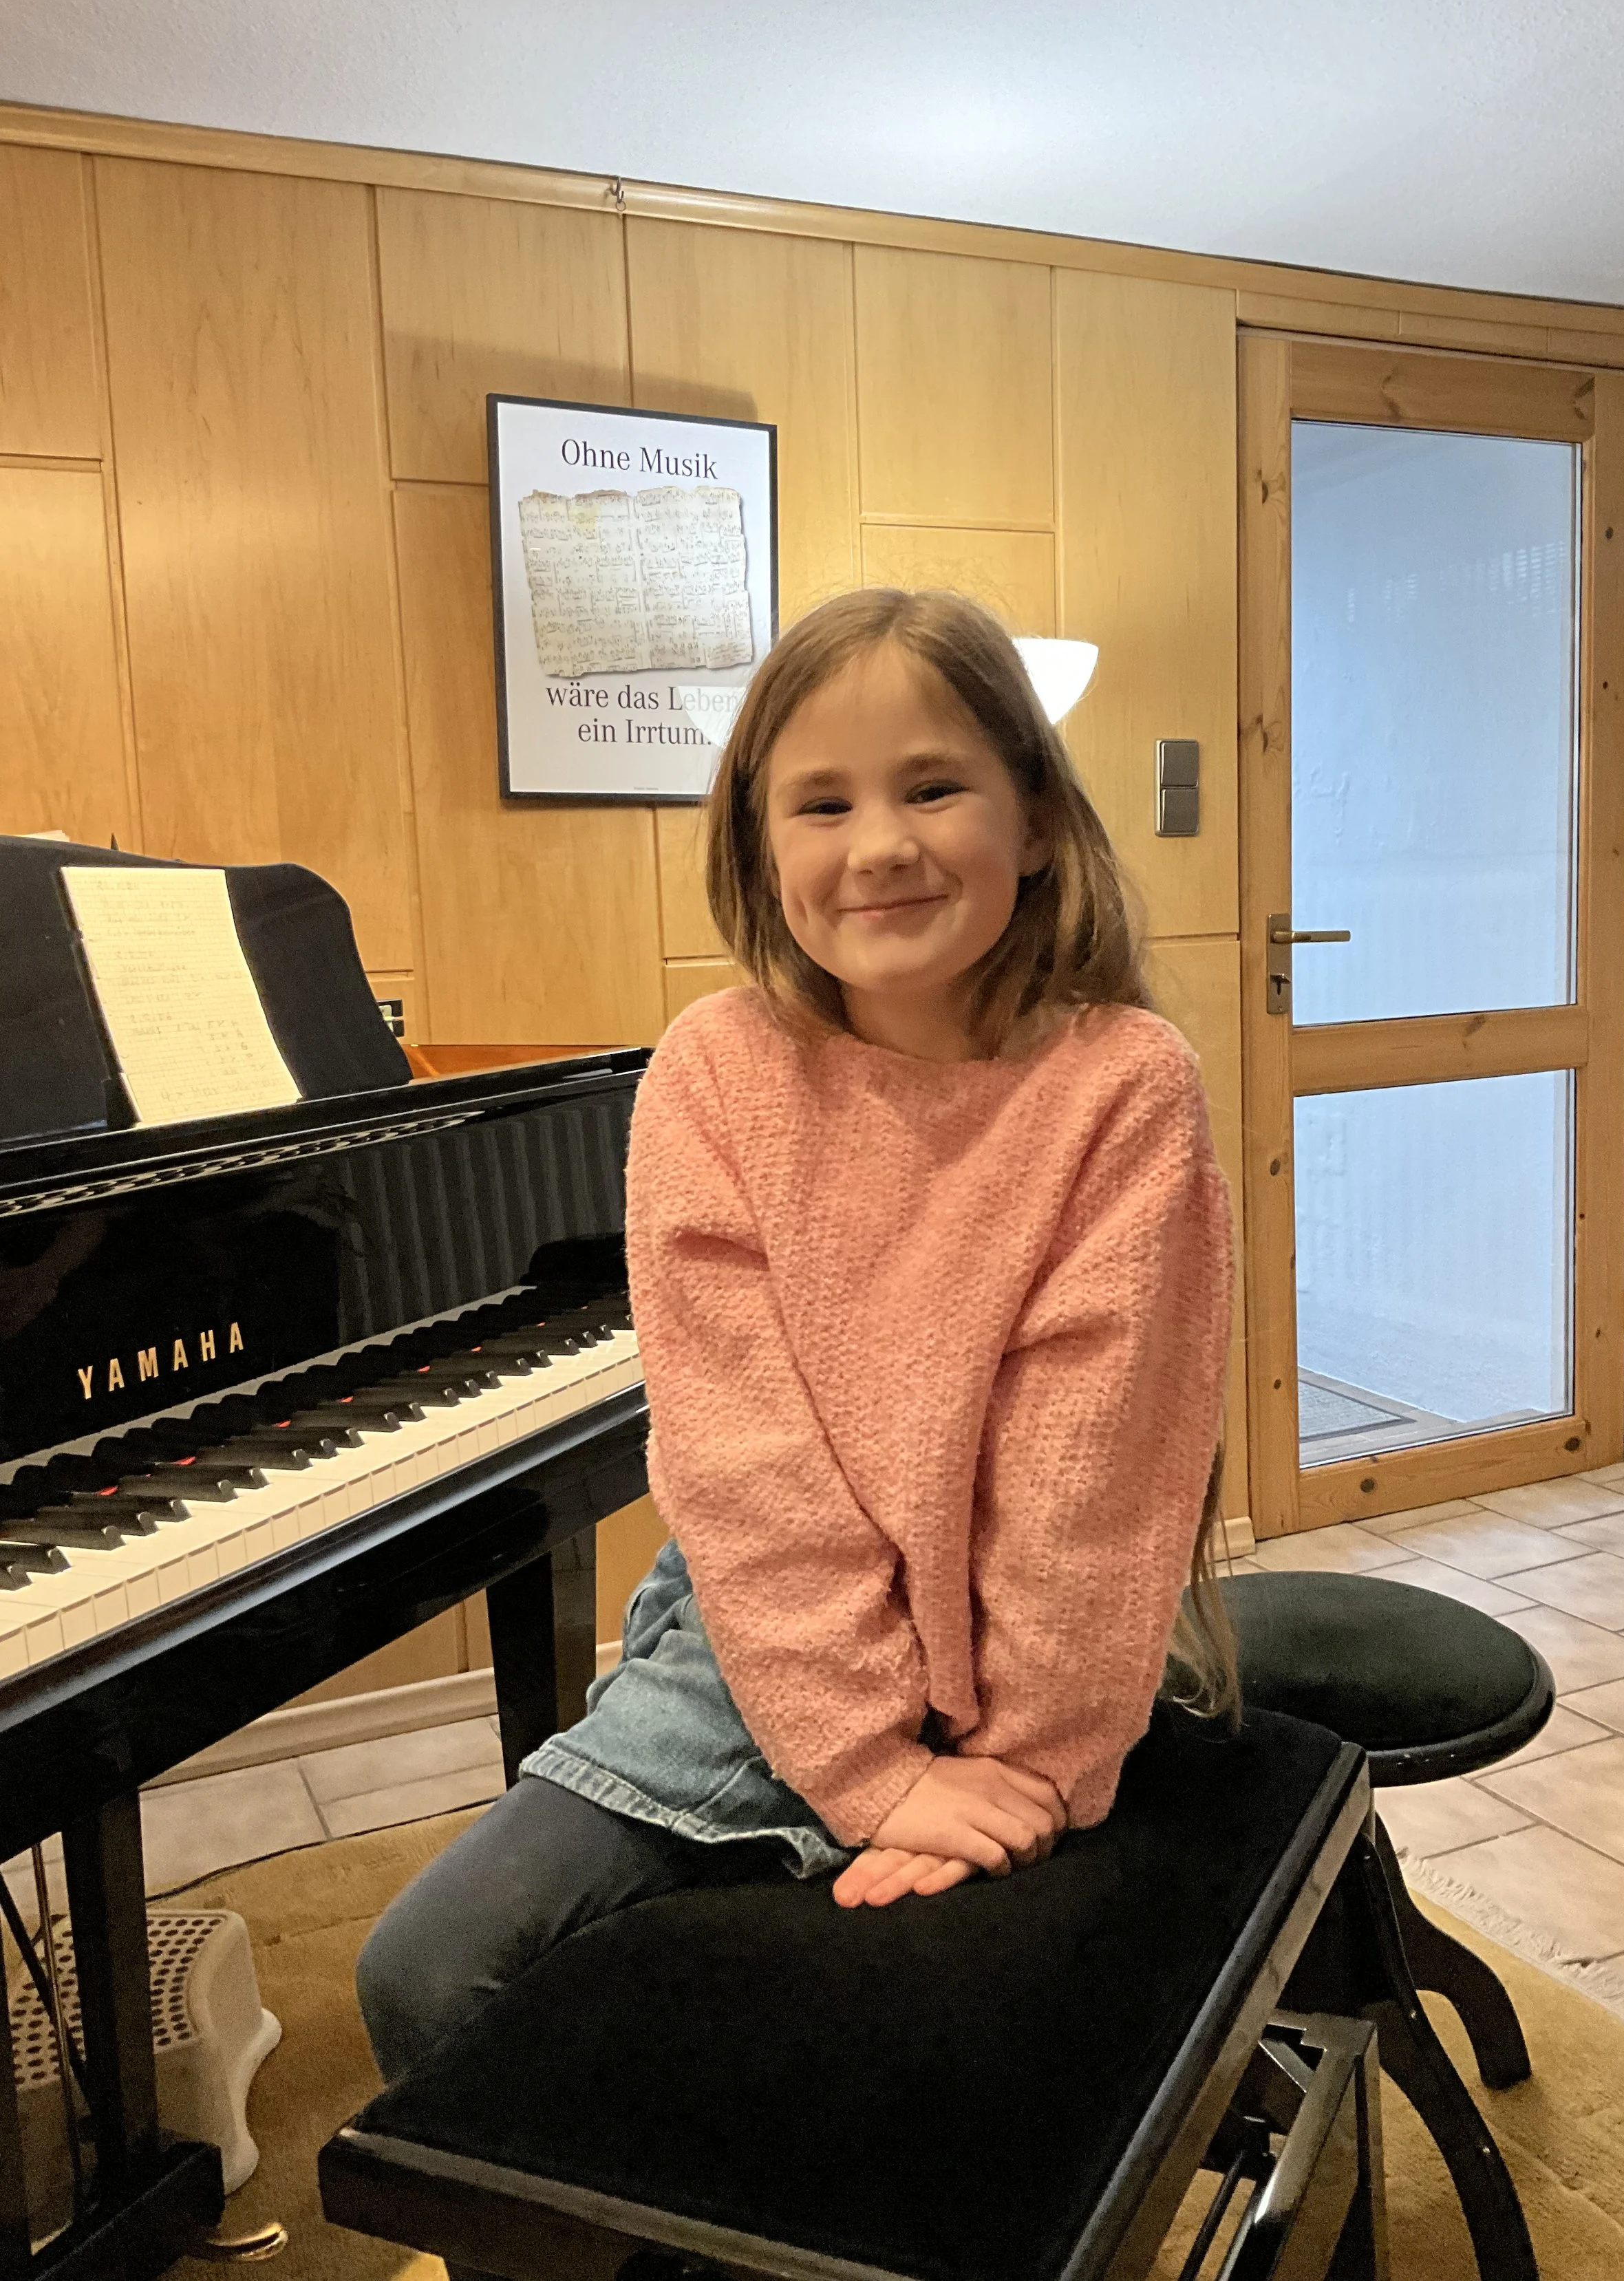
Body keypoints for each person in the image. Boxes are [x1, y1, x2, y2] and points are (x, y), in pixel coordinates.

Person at [356, 586, 1237, 2103]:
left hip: (1032, 1654)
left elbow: (1084, 1492)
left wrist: (1017, 1768)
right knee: (427, 1971)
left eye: (931, 785)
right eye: (818, 801)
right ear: (761, 849)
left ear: (1032, 818)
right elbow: (742, 1465)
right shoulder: (714, 1070)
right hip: (762, 1645)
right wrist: (869, 1768)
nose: (877, 842)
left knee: (884, 2049)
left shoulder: (1121, 1083)